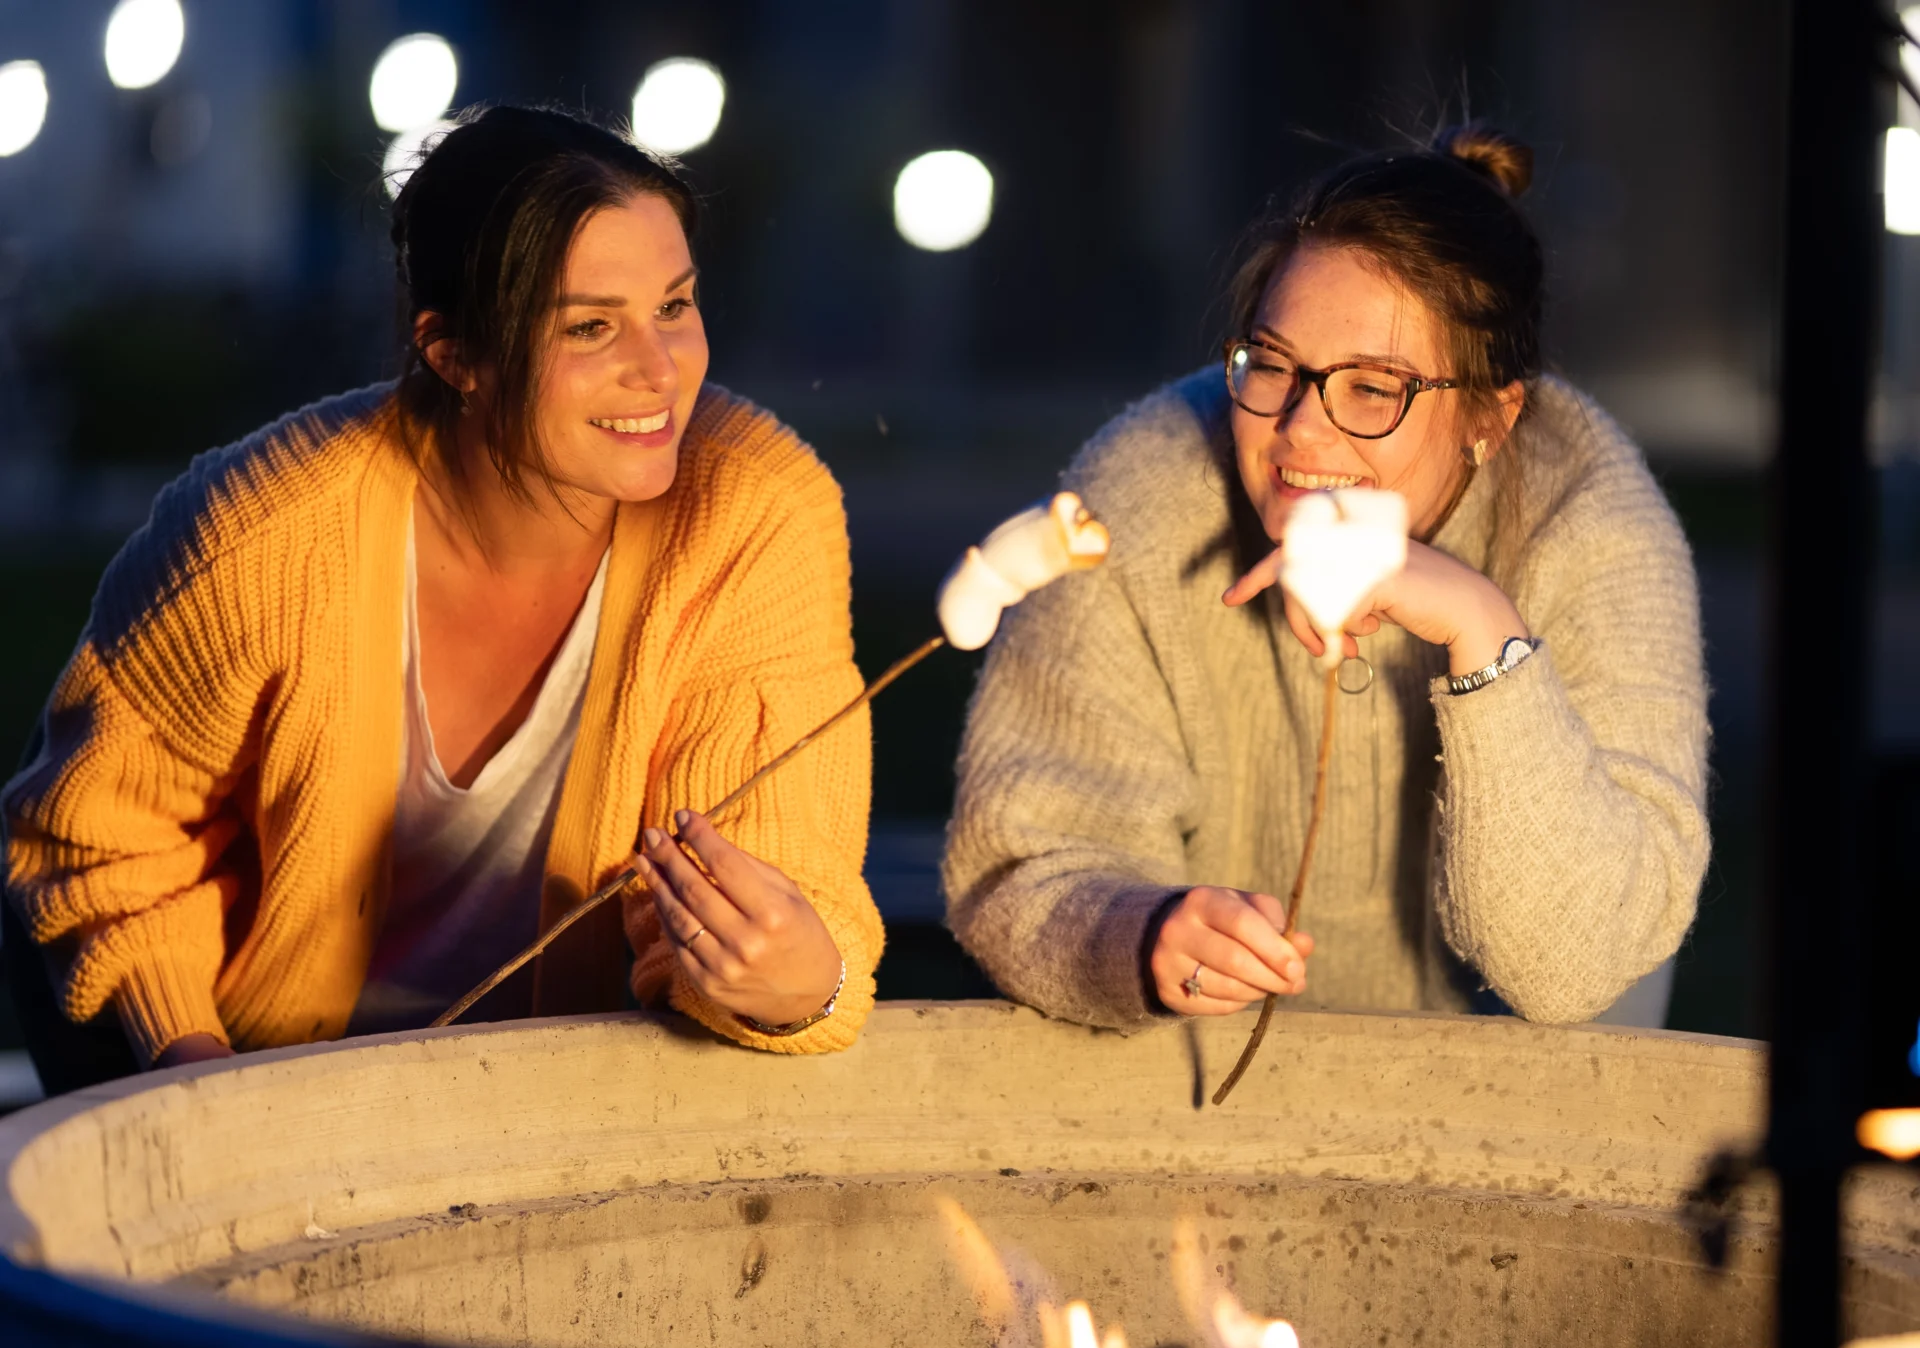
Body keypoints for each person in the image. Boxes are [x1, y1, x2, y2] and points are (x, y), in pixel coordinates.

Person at [2, 106, 882, 1094]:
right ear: (453, 352)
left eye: (674, 305)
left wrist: (795, 985)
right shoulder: (263, 534)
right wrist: (207, 1087)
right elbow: (92, 837)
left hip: (577, 1116)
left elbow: (778, 876)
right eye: (591, 326)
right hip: (257, 1080)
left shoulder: (752, 514)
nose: (660, 368)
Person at [943, 124, 1709, 1032]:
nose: (1301, 428)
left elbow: (1580, 964)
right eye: (1273, 364)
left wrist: (1481, 626)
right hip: (1209, 1072)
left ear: (1491, 420)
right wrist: (1139, 933)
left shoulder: (1589, 521)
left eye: (1374, 388)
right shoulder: (1143, 493)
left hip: (1517, 1079)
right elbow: (1020, 861)